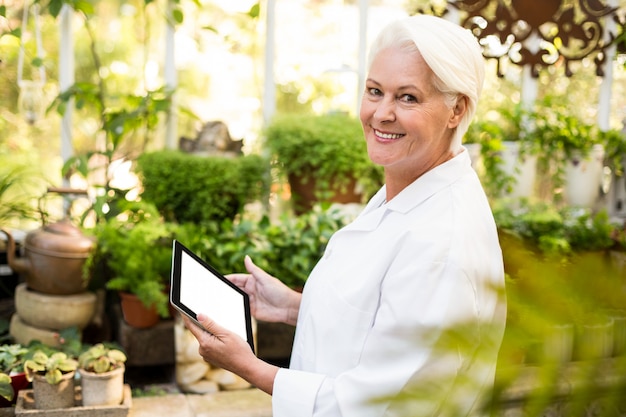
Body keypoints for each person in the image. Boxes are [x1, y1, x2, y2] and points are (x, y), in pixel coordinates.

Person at [182, 14, 507, 417]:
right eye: (375, 91)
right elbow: (387, 319)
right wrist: (292, 306)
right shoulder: (409, 186)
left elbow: (375, 405)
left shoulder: (442, 242)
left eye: (408, 97)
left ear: (456, 109)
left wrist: (248, 366)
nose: (381, 113)